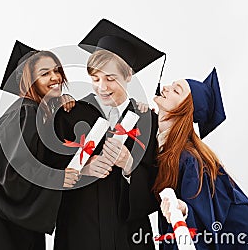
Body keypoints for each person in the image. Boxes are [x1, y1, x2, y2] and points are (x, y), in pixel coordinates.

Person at [49, 19, 165, 250]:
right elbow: (50, 172)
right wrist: (83, 169)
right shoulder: (70, 114)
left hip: (128, 236)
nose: (102, 87)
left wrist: (130, 165)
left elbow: (160, 182)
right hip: (80, 232)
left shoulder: (148, 120)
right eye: (95, 78)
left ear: (128, 76)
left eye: (111, 79)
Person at [0, 40, 78, 250]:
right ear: (29, 82)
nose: (55, 77)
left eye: (57, 70)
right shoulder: (26, 113)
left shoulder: (38, 113)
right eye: (44, 73)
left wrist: (58, 107)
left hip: (5, 221)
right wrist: (57, 177)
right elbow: (8, 173)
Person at [153, 68, 248, 249]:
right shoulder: (164, 144)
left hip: (237, 233)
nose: (165, 88)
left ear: (186, 109)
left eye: (176, 90)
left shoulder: (189, 159)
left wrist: (184, 210)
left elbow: (201, 216)